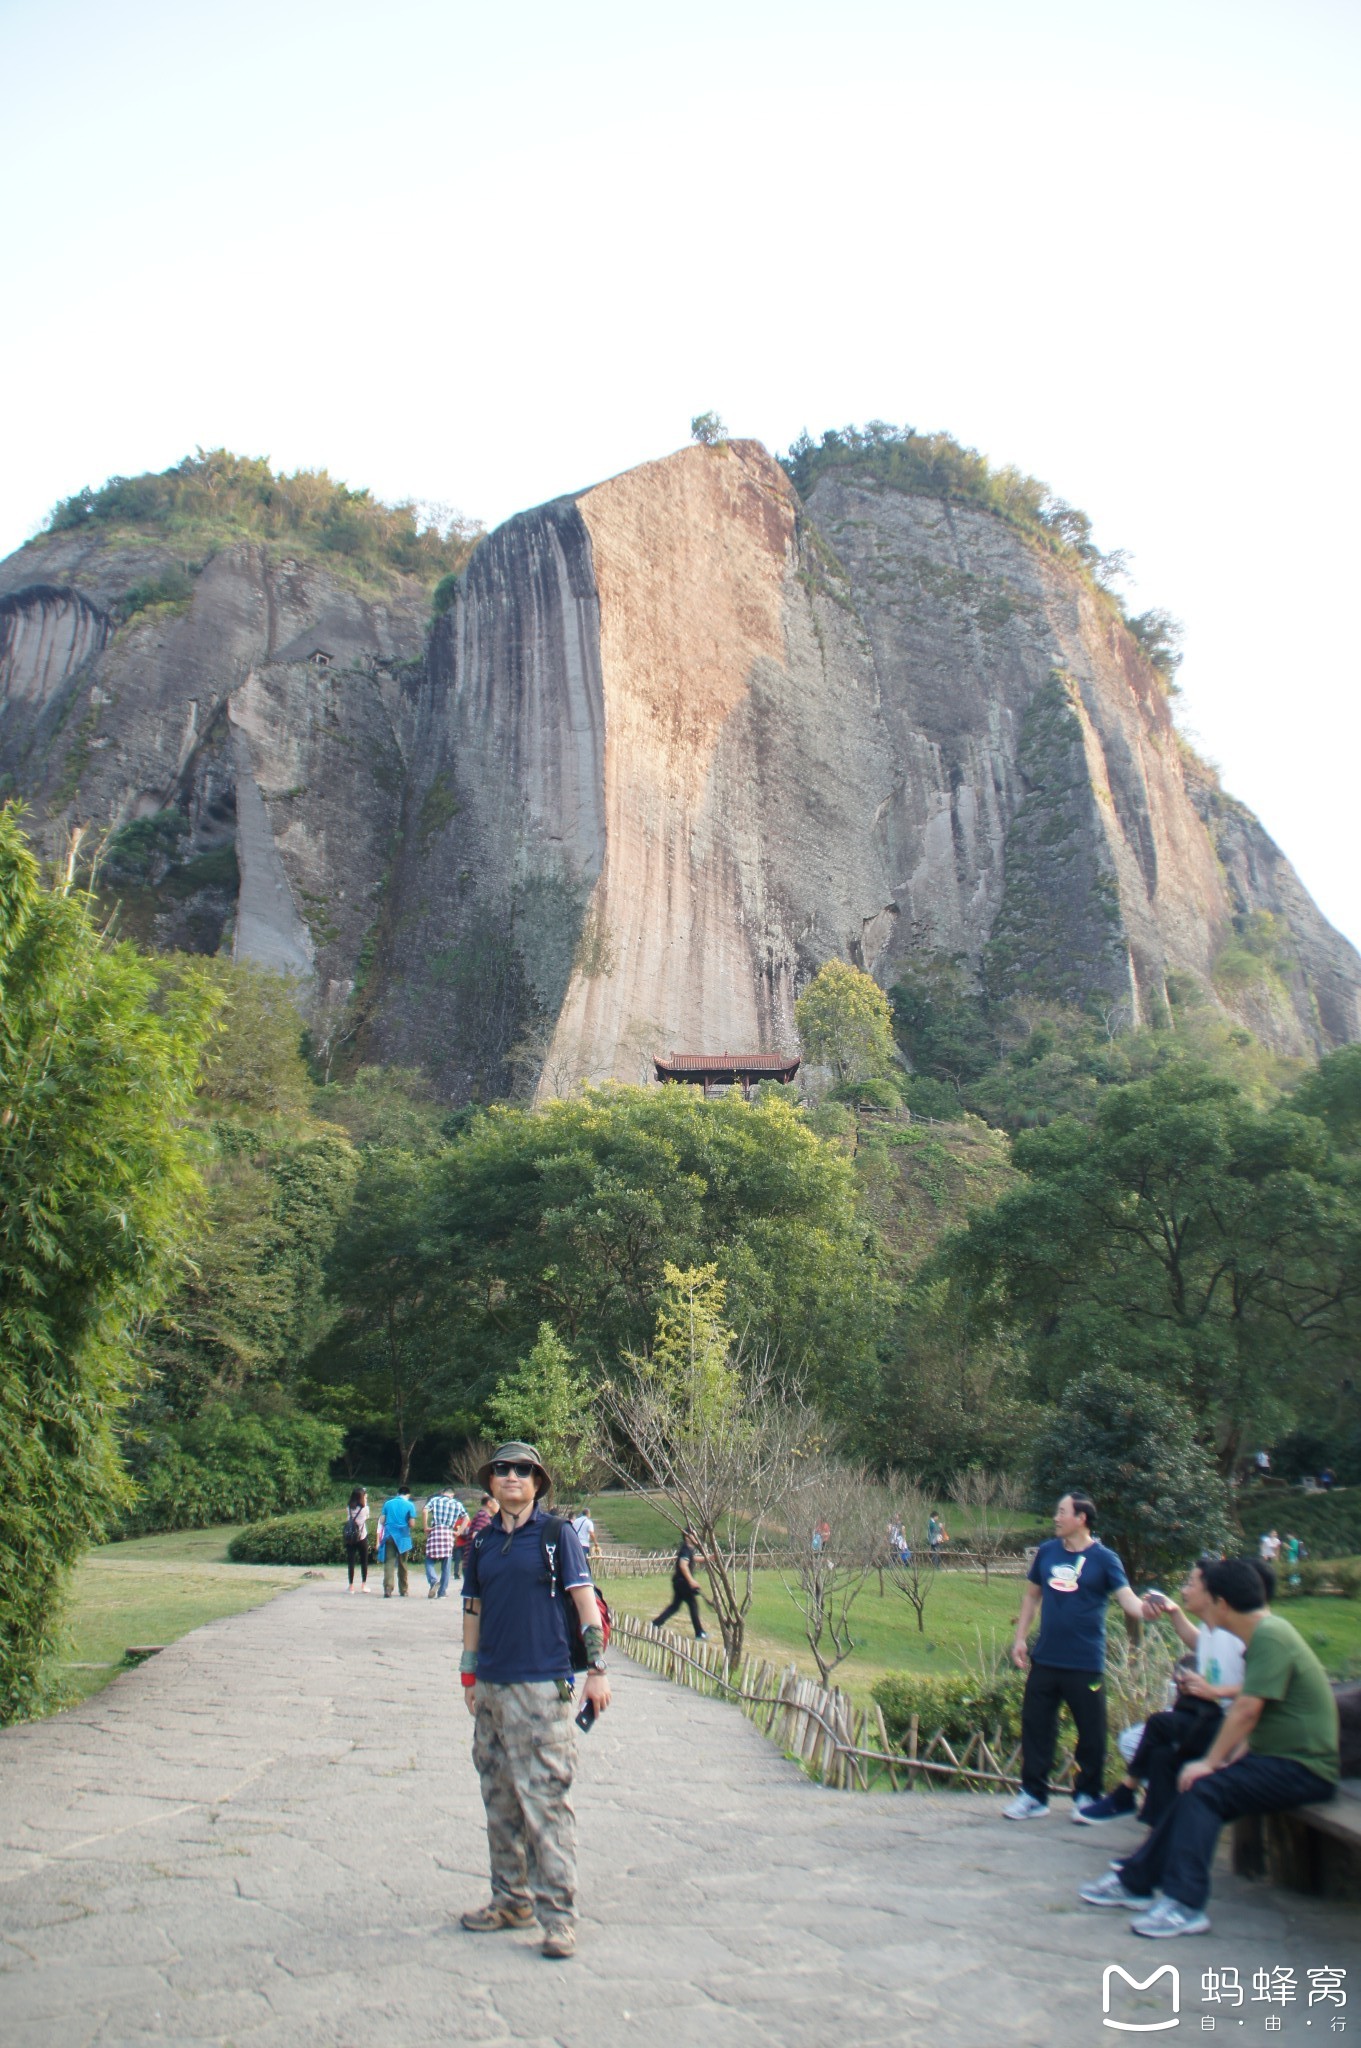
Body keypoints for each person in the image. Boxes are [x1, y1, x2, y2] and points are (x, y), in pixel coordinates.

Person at [1078, 1555, 1340, 1937]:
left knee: (1202, 1787)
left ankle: (1185, 1904)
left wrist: (1210, 1762)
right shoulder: (1263, 1635)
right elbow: (1263, 1713)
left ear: (1222, 1603)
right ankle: (1138, 1882)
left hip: (1304, 1769)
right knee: (1194, 1791)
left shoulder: (1271, 1636)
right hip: (1279, 1760)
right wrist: (1223, 1761)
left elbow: (1248, 1709)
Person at [459, 1440, 609, 1961]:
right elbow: (472, 1610)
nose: (512, 1477)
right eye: (502, 1470)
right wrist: (469, 1675)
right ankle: (511, 1900)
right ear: (490, 1482)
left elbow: (585, 1606)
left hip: (543, 1688)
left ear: (538, 1482)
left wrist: (596, 1671)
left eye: (523, 1470)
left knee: (545, 1800)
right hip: (493, 1688)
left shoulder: (556, 1535)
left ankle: (559, 1917)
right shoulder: (480, 1545)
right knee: (499, 1797)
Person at [1003, 1491, 1156, 1821]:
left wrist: (1150, 1609)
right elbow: (1032, 1598)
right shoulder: (1047, 1552)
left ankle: (1087, 1794)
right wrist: (1020, 1639)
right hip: (1045, 1658)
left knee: (1091, 1731)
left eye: (1062, 1512)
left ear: (1081, 1518)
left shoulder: (1105, 1559)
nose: (1056, 1518)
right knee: (1036, 1727)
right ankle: (1033, 1795)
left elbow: (1129, 1601)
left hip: (1085, 1662)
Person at [1073, 1558, 1244, 1827]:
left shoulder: (1236, 1633)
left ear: (1212, 1593)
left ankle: (1126, 1793)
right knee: (1160, 1756)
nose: (1184, 1590)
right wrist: (1175, 1612)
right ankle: (1160, 1831)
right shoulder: (1211, 1632)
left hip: (1230, 1728)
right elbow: (1197, 1642)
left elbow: (1261, 1687)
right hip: (1206, 1720)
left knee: (1158, 1725)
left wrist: (1213, 1690)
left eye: (1190, 1584)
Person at [651, 1529, 708, 1639]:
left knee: (675, 1606)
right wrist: (691, 1581)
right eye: (694, 1535)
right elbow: (683, 1565)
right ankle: (699, 1632)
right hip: (683, 1583)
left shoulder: (689, 1549)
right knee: (693, 1605)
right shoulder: (686, 1549)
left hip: (679, 1582)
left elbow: (693, 1558)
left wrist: (708, 1558)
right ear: (687, 1537)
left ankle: (655, 1624)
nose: (696, 1537)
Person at [423, 1483, 465, 1600]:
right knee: (446, 1563)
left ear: (443, 1493)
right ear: (453, 1495)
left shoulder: (435, 1500)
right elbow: (466, 1518)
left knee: (429, 1559)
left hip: (435, 1530)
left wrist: (426, 1526)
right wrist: (459, 1532)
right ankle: (442, 1592)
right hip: (448, 1533)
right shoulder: (457, 1504)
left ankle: (433, 1580)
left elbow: (425, 1511)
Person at [381, 1482, 418, 1597]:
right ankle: (404, 1590)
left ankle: (388, 1588)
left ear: (398, 1493)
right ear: (408, 1494)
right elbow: (412, 1524)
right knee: (403, 1563)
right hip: (403, 1537)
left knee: (389, 1562)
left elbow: (382, 1520)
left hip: (389, 1535)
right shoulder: (409, 1505)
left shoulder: (388, 1503)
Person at [343, 1487, 370, 1594]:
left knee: (351, 1561)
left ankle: (351, 1586)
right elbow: (366, 1517)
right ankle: (363, 1585)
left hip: (350, 1537)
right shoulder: (365, 1509)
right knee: (364, 1561)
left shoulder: (349, 1507)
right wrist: (366, 1501)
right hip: (362, 1536)